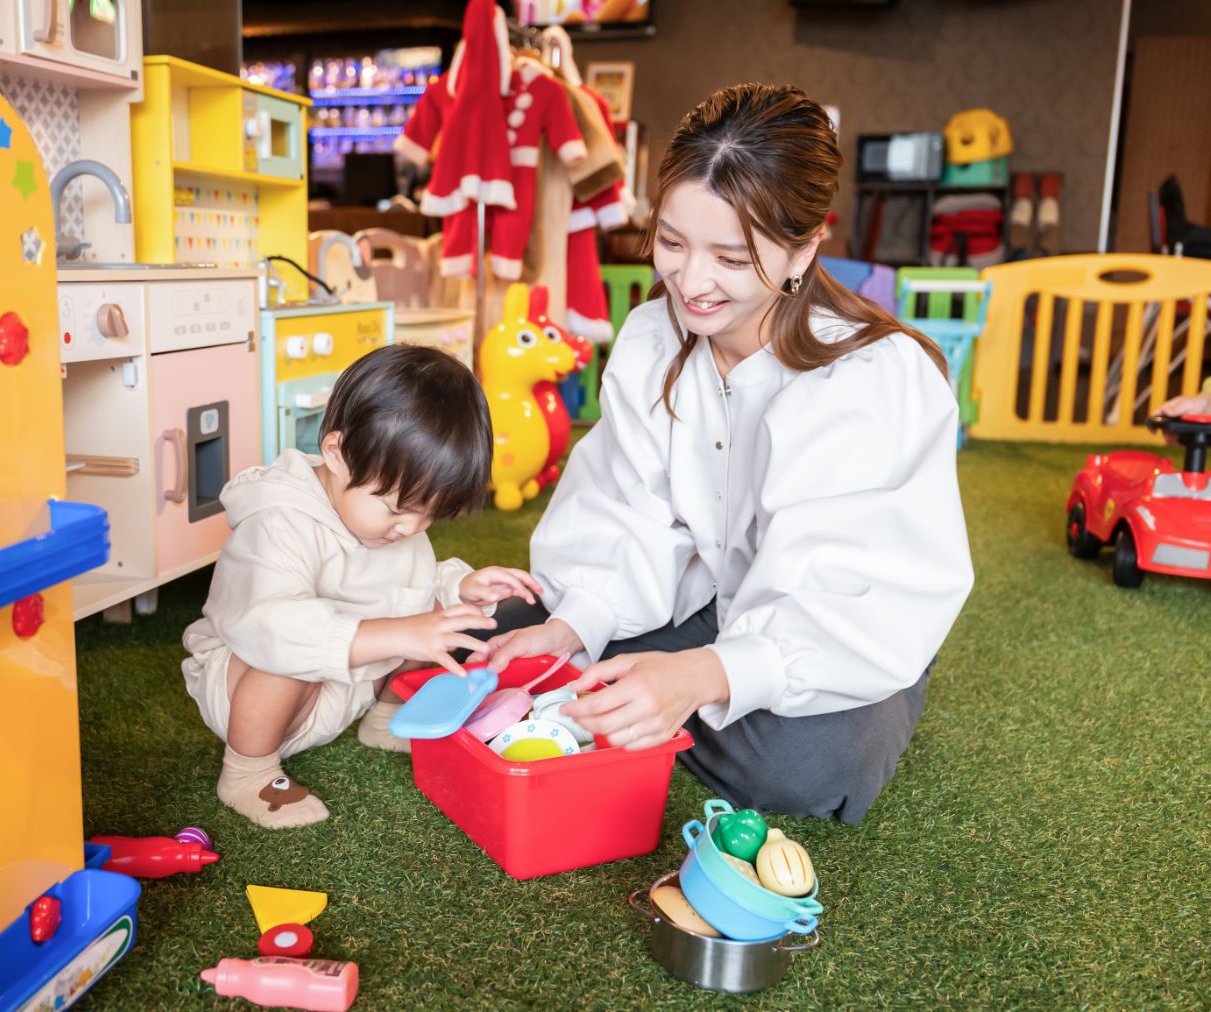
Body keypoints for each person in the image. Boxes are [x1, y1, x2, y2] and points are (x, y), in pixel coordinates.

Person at [473, 83, 975, 824]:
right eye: (672, 243)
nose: (691, 282)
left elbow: (851, 585)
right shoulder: (653, 337)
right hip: (706, 594)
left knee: (806, 767)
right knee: (510, 629)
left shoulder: (873, 377)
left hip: (843, 625)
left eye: (731, 258)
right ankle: (642, 690)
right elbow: (627, 505)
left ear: (805, 248)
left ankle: (650, 694)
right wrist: (577, 621)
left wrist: (705, 673)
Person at [182, 345, 541, 829]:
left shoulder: (389, 516)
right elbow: (271, 629)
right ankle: (248, 772)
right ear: (337, 454)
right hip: (249, 695)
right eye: (398, 509)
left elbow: (415, 581)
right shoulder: (279, 520)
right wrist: (400, 633)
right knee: (295, 648)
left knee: (433, 618)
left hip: (346, 689)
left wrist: (461, 587)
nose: (413, 528)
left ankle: (385, 720)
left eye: (430, 515)